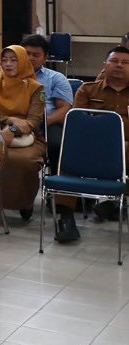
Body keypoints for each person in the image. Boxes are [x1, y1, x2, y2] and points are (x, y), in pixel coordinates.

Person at [67, 49, 129, 236]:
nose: (119, 65)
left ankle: (112, 201)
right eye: (114, 60)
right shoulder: (87, 90)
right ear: (105, 65)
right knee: (68, 158)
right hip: (92, 147)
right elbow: (78, 124)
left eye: (125, 62)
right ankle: (65, 219)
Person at [0, 44, 45, 226]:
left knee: (24, 161)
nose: (8, 64)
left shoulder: (36, 88)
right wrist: (10, 119)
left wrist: (13, 129)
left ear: (24, 63)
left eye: (14, 60)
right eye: (4, 60)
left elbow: (34, 121)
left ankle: (23, 202)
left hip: (28, 138)